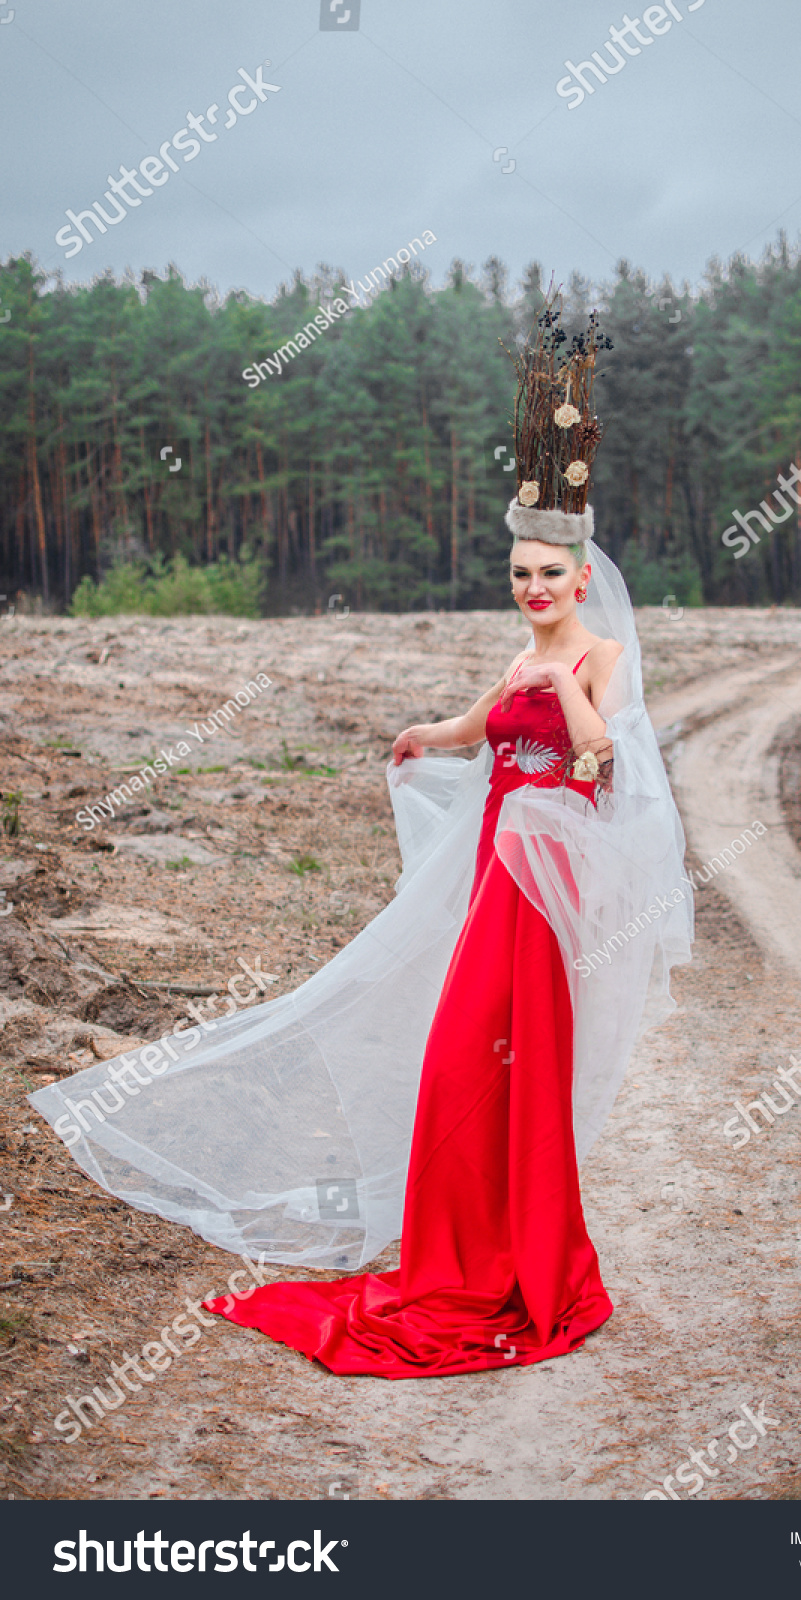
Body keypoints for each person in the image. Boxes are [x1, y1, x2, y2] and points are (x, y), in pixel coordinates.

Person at [29, 293, 692, 1378]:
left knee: (512, 1067)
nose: (532, 591)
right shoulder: (517, 655)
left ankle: (529, 1263)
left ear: (582, 580)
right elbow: (476, 732)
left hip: (548, 880)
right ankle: (462, 1248)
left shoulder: (596, 661)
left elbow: (596, 761)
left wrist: (566, 677)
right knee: (456, 1059)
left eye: (549, 578)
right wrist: (420, 737)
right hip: (494, 868)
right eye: (519, 576)